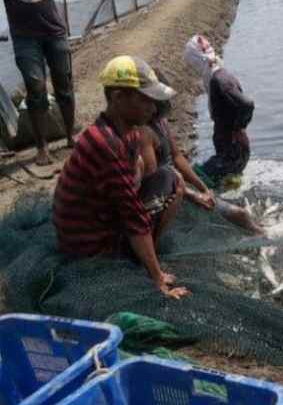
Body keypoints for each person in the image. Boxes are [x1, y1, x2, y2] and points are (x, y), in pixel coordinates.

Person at [53, 55, 189, 300]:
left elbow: (135, 178)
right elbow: (133, 217)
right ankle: (140, 262)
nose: (152, 107)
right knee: (169, 190)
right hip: (88, 245)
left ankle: (141, 256)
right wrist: (158, 280)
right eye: (144, 99)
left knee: (171, 179)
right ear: (117, 97)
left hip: (103, 217)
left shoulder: (128, 132)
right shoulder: (103, 142)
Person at [137, 70, 264, 236]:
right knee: (241, 215)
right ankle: (264, 236)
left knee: (238, 212)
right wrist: (194, 195)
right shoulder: (144, 132)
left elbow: (177, 157)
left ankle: (258, 231)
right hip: (169, 195)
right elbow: (155, 181)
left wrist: (203, 188)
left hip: (178, 185)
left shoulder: (160, 122)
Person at [0, 0, 73, 165]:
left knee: (64, 85)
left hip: (53, 29)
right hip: (23, 35)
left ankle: (70, 139)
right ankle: (42, 147)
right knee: (36, 87)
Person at [183, 35, 254, 184]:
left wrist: (238, 129)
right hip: (232, 151)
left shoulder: (219, 80)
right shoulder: (217, 75)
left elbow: (247, 104)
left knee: (195, 181)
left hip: (231, 153)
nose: (193, 69)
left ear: (197, 59)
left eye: (192, 64)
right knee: (230, 189)